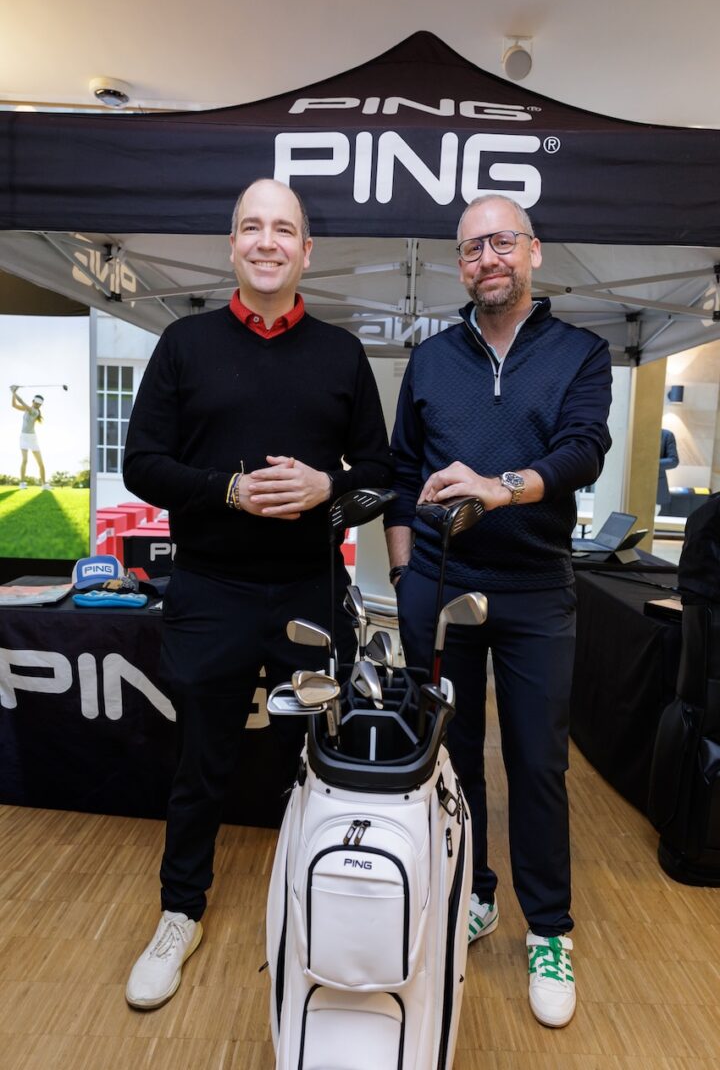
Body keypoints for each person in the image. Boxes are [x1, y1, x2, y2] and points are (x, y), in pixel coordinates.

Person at [122, 178, 392, 1010]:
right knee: (201, 763)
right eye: (251, 227)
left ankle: (318, 907)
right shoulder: (183, 344)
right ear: (232, 244)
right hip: (211, 589)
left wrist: (328, 488)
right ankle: (180, 913)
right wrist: (227, 491)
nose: (266, 241)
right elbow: (143, 464)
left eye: (283, 229)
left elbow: (379, 477)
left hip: (311, 591)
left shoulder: (341, 354)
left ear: (306, 251)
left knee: (315, 765)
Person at [384, 194, 612, 1029]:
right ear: (460, 265)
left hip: (537, 588)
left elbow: (583, 450)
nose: (489, 258)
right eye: (473, 248)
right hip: (440, 585)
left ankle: (548, 928)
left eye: (502, 242)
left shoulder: (581, 353)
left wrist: (498, 488)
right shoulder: (431, 359)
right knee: (451, 757)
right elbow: (401, 472)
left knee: (537, 763)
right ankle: (473, 892)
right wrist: (405, 574)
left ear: (534, 252)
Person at [10, 387, 49, 488]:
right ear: (33, 401)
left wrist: (13, 391)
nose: (37, 405)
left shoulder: (35, 411)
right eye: (36, 403)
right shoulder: (27, 409)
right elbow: (14, 405)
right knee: (25, 460)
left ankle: (44, 484)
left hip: (32, 439)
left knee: (40, 462)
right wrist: (13, 394)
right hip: (23, 437)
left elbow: (21, 401)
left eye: (39, 404)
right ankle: (22, 483)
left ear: (40, 405)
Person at [657, 427, 679, 514]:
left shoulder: (666, 435)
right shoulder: (634, 432)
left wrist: (651, 465)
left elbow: (674, 461)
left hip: (657, 490)